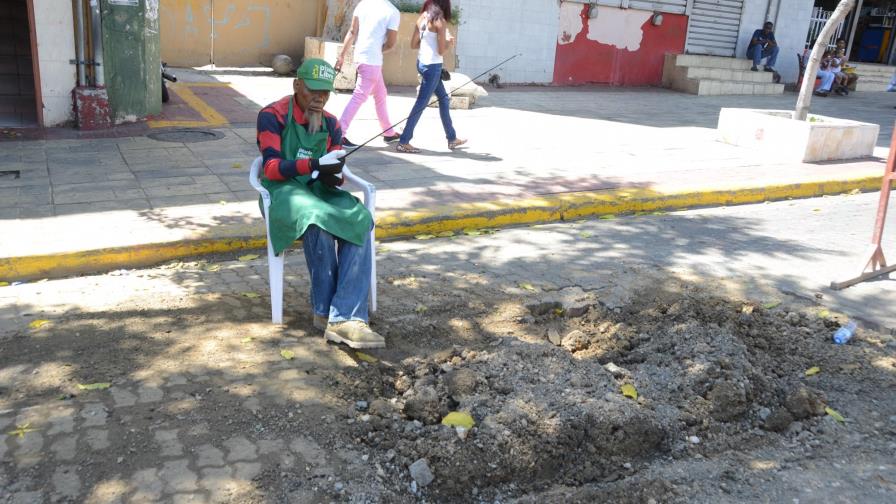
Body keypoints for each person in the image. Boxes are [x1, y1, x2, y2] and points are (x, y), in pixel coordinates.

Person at [256, 58, 385, 349]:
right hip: (282, 193)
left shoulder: (331, 124)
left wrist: (333, 172)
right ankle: (328, 312)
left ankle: (347, 318)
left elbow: (334, 180)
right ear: (296, 85)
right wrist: (313, 163)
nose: (319, 99)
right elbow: (272, 168)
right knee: (317, 219)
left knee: (358, 216)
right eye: (313, 91)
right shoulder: (272, 115)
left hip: (317, 191)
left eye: (325, 93)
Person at [395, 0, 466, 154]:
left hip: (421, 63)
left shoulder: (422, 18)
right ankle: (404, 141)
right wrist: (449, 43)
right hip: (433, 67)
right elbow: (441, 51)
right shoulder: (440, 21)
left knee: (444, 99)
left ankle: (452, 138)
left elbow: (414, 44)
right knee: (421, 103)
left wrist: (428, 40)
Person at [335, 0, 402, 148]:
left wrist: (341, 56)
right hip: (372, 61)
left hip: (360, 57)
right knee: (359, 96)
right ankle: (339, 134)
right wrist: (376, 51)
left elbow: (352, 31)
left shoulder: (363, 4)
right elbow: (391, 44)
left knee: (380, 94)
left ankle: (388, 133)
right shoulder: (393, 12)